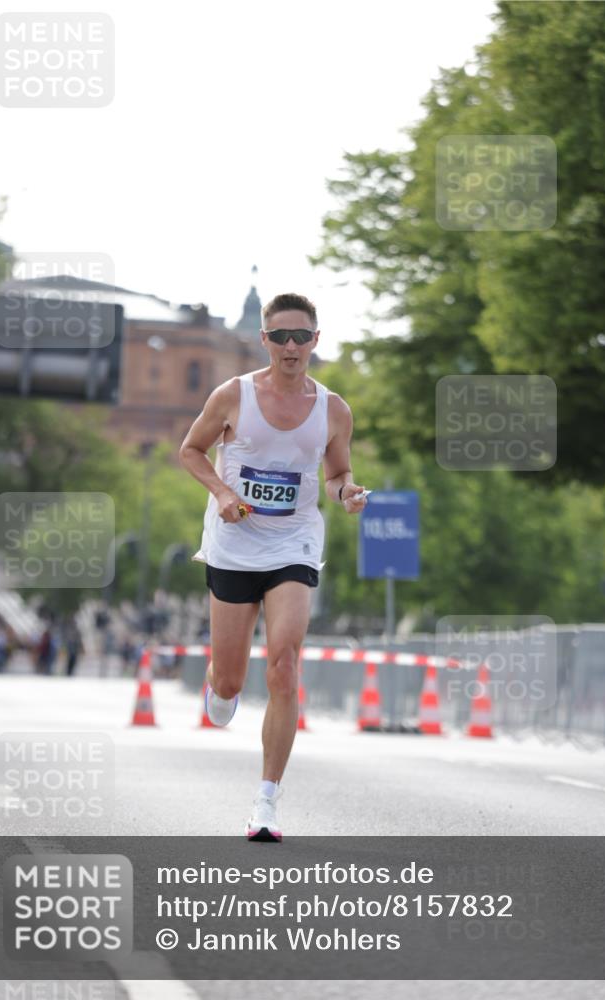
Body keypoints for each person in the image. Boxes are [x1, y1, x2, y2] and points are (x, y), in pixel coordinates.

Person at [179, 292, 367, 842]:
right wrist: (220, 492)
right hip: (235, 544)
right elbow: (191, 450)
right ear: (264, 340)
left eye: (300, 336)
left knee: (284, 662)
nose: (291, 346)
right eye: (280, 336)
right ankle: (220, 684)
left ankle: (266, 802)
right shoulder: (232, 396)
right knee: (230, 683)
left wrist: (347, 493)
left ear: (315, 340)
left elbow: (336, 474)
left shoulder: (334, 409)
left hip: (294, 544)